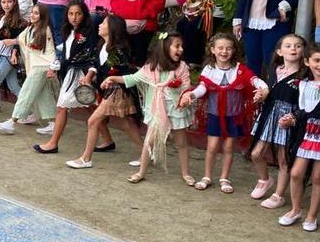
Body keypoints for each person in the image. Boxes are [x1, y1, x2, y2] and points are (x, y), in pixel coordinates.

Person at [180, 33, 268, 192]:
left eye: (228, 48)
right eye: (220, 48)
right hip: (214, 115)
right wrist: (192, 95)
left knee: (228, 148)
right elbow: (203, 87)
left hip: (234, 116)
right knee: (212, 146)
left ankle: (224, 178)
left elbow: (254, 80)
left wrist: (263, 89)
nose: (224, 51)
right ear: (212, 50)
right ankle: (207, 176)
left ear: (234, 50)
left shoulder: (240, 69)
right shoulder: (209, 69)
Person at [101, 32, 192, 183]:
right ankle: (141, 172)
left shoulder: (182, 67)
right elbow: (132, 78)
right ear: (165, 47)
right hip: (157, 110)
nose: (181, 49)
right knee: (148, 142)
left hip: (176, 110)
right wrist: (111, 78)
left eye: (181, 46)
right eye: (177, 46)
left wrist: (186, 96)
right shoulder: (151, 67)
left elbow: (186, 86)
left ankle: (186, 173)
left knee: (181, 143)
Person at [277, 43, 320, 232]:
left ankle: (312, 215)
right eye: (316, 60)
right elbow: (304, 109)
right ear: (307, 61)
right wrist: (291, 118)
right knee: (296, 173)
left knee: (318, 176)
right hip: (306, 134)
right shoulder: (303, 83)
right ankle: (295, 209)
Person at [66, 15, 143, 169]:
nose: (99, 25)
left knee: (93, 121)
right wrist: (88, 77)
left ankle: (86, 159)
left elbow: (125, 72)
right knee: (126, 123)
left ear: (112, 28)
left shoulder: (120, 50)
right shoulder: (101, 45)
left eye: (103, 23)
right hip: (110, 92)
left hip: (117, 92)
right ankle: (147, 152)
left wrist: (110, 79)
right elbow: (96, 63)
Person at [248, 34, 305, 209]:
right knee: (256, 153)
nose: (293, 49)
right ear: (279, 51)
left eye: (297, 46)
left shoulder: (305, 75)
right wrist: (261, 96)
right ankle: (265, 180)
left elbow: (305, 102)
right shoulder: (274, 69)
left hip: (286, 119)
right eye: (288, 46)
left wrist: (293, 117)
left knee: (283, 159)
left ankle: (279, 195)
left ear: (304, 51)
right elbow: (268, 90)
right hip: (269, 114)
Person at [35, 0, 97, 153]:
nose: (74, 17)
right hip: (70, 73)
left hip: (80, 74)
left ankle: (53, 143)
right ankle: (108, 140)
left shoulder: (88, 34)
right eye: (71, 14)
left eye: (78, 14)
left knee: (62, 107)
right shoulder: (67, 31)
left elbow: (92, 57)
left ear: (84, 15)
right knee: (89, 106)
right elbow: (64, 54)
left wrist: (89, 75)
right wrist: (55, 67)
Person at [0, 4, 58, 135]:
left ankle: (12, 122)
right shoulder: (29, 28)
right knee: (43, 95)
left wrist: (53, 67)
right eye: (32, 12)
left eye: (36, 13)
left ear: (43, 16)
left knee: (25, 94)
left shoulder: (45, 30)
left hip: (41, 67)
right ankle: (53, 124)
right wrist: (10, 41)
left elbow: (51, 50)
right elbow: (20, 40)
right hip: (35, 66)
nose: (32, 15)